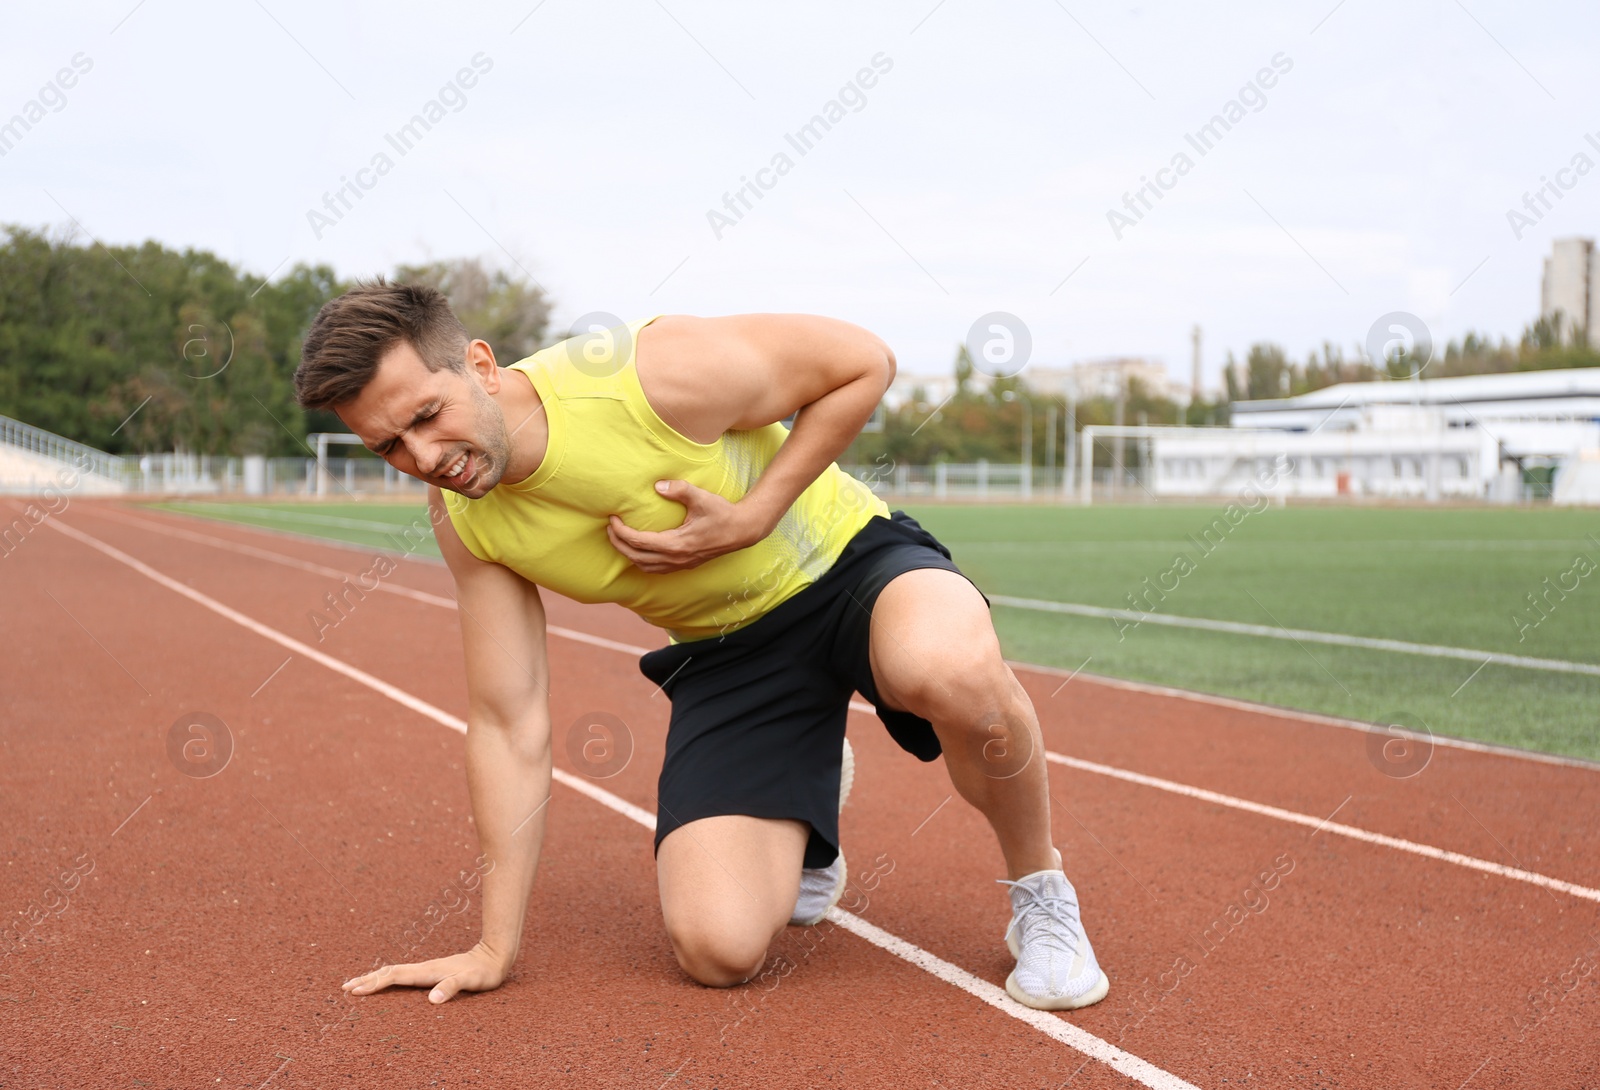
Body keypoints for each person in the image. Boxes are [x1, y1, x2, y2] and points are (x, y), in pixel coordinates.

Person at [293, 281, 1108, 1012]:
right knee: (717, 952)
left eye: (429, 417)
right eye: (390, 448)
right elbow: (509, 720)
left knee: (948, 670)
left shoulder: (644, 374)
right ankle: (812, 784)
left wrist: (754, 515)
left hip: (851, 566)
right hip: (732, 652)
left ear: (480, 363)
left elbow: (864, 361)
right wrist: (492, 947)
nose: (426, 459)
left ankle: (1042, 892)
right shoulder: (469, 524)